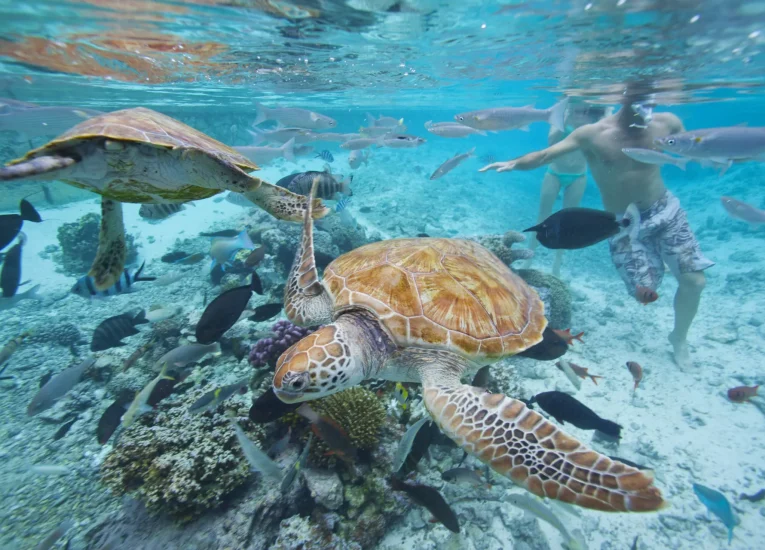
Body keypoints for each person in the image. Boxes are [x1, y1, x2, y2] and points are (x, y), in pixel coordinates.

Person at [480, 87, 713, 369]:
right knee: (644, 292)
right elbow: (544, 156)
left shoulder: (668, 123)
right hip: (620, 223)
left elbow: (694, 147)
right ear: (620, 95)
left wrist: (734, 153)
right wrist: (514, 163)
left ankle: (679, 337)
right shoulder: (592, 133)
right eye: (635, 94)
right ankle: (655, 263)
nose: (643, 99)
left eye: (648, 93)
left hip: (665, 210)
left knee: (694, 282)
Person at [526, 103, 608, 276]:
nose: (581, 113)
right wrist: (564, 120)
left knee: (568, 221)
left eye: (584, 111)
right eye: (576, 110)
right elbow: (551, 142)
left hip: (578, 176)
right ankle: (528, 259)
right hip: (554, 173)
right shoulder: (559, 119)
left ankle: (557, 265)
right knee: (542, 217)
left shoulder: (593, 125)